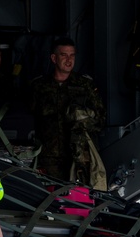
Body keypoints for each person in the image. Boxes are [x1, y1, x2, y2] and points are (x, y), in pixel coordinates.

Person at [29, 37, 106, 187]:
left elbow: (101, 119)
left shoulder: (85, 85)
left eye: (72, 55)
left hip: (78, 157)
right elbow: (29, 119)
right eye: (64, 55)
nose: (69, 60)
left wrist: (83, 119)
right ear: (54, 58)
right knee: (49, 199)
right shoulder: (39, 86)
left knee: (79, 201)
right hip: (47, 156)